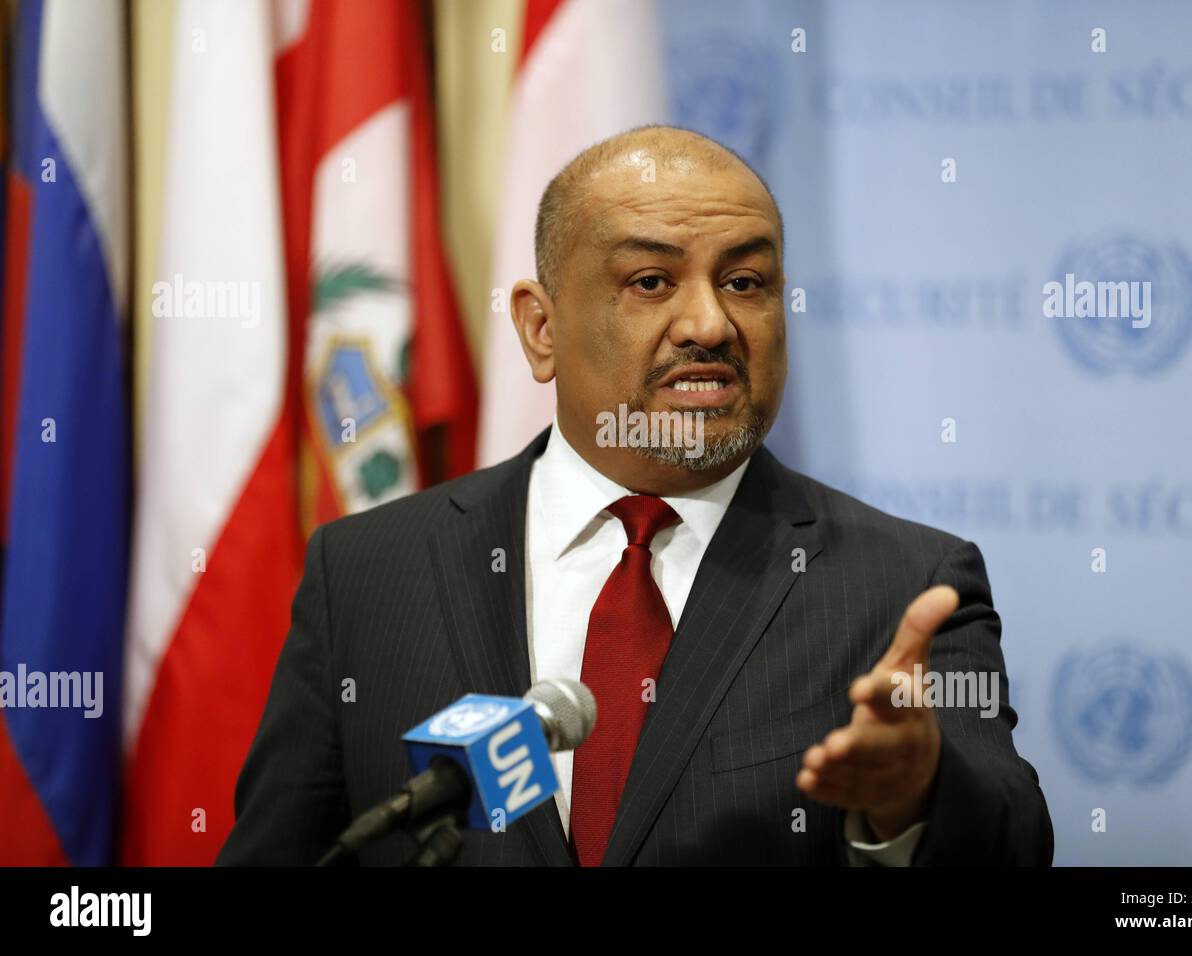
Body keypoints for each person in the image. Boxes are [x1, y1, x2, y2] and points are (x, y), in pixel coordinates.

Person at [217, 124, 1053, 866]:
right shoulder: (368, 572)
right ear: (541, 329)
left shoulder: (901, 582)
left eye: (747, 282)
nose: (711, 325)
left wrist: (910, 799)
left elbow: (1012, 846)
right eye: (652, 281)